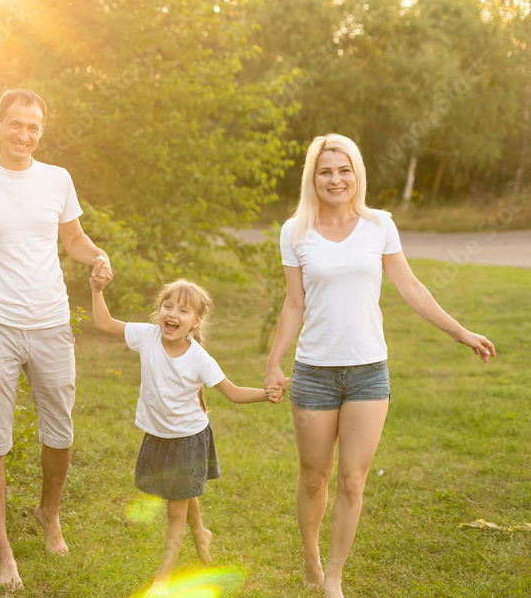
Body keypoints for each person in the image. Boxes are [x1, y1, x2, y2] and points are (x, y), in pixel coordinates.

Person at [264, 134, 496, 598]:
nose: (336, 179)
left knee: (352, 481)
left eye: (344, 170)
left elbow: (412, 289)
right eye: (326, 171)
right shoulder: (295, 231)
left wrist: (460, 332)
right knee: (314, 476)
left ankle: (333, 577)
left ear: (357, 174)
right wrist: (274, 362)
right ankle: (310, 553)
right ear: (313, 178)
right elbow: (294, 304)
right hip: (314, 372)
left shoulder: (379, 225)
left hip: (369, 372)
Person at [0, 89, 112, 591]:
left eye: (33, 126)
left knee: (60, 434)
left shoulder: (57, 179)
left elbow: (72, 239)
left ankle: (47, 513)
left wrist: (98, 256)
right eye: (15, 124)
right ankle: (3, 551)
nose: (24, 134)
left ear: (42, 130)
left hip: (52, 324)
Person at [90, 275, 283, 597]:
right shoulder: (147, 336)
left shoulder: (199, 358)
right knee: (182, 492)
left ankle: (163, 577)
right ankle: (202, 534)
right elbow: (104, 322)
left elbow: (233, 392)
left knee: (174, 508)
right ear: (159, 310)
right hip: (158, 436)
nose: (173, 314)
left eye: (183, 310)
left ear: (196, 321)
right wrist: (97, 290)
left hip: (188, 441)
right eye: (168, 306)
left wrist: (267, 394)